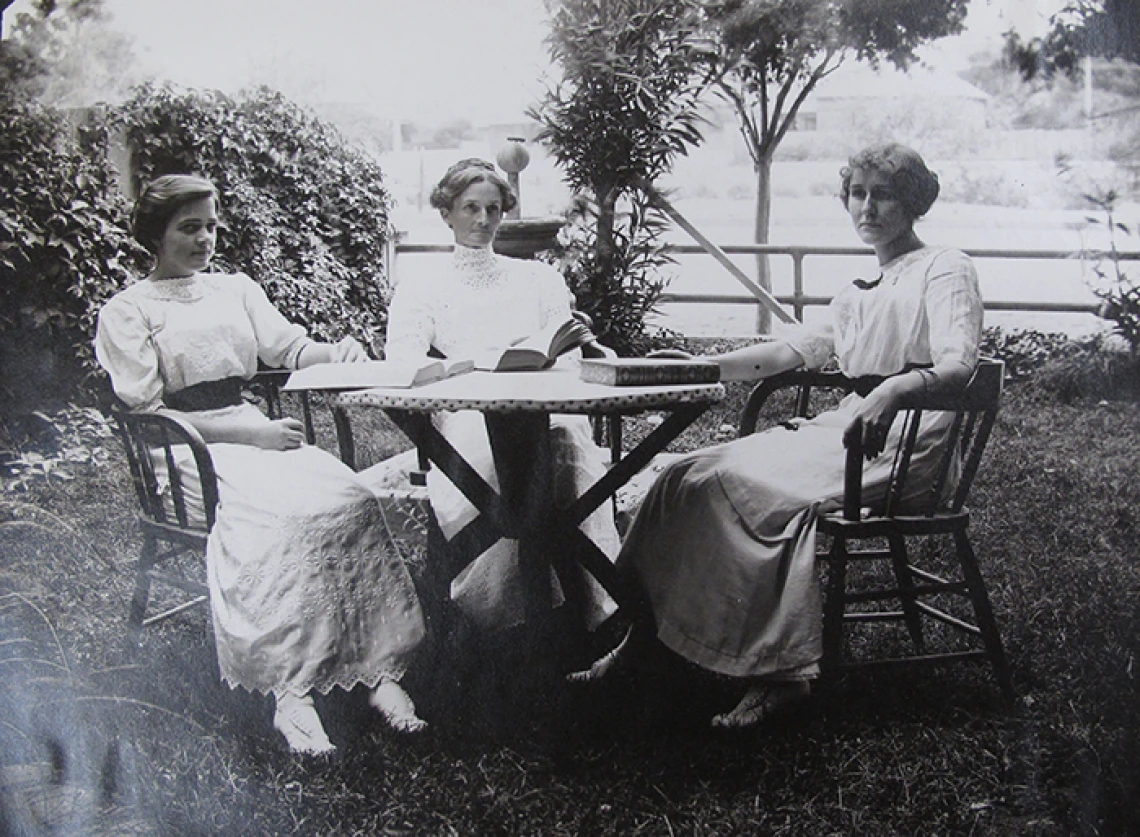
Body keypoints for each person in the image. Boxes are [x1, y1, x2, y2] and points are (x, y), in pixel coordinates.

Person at [576, 143, 984, 728]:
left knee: (745, 489)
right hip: (849, 428)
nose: (867, 207)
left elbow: (958, 365)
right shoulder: (859, 287)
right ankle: (646, 639)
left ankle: (781, 676)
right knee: (680, 476)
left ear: (914, 202)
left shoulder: (946, 266)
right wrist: (701, 367)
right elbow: (790, 350)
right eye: (858, 194)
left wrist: (893, 393)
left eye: (884, 194)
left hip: (903, 444)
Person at [96, 174, 428, 756]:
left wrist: (334, 351)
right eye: (189, 227)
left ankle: (381, 676)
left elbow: (289, 349)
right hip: (185, 447)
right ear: (155, 234)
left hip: (256, 432)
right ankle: (290, 696)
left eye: (212, 225)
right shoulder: (127, 310)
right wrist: (251, 432)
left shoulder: (236, 289)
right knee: (281, 518)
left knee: (350, 499)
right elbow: (148, 411)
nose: (205, 238)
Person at [383, 158, 620, 632]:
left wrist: (559, 358)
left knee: (565, 446)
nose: (483, 220)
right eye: (470, 208)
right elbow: (402, 358)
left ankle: (581, 599)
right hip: (470, 409)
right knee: (499, 462)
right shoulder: (423, 283)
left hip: (549, 402)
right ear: (446, 213)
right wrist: (464, 367)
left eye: (493, 209)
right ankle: (510, 610)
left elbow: (570, 348)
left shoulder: (537, 278)